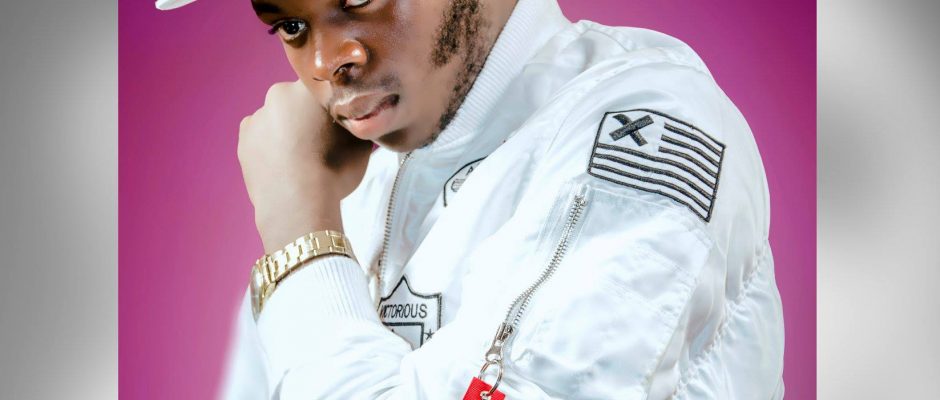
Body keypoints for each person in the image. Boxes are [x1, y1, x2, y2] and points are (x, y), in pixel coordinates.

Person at [157, 0, 785, 398]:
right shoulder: (335, 182)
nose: (327, 61)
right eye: (291, 26)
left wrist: (300, 236)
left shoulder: (640, 132)